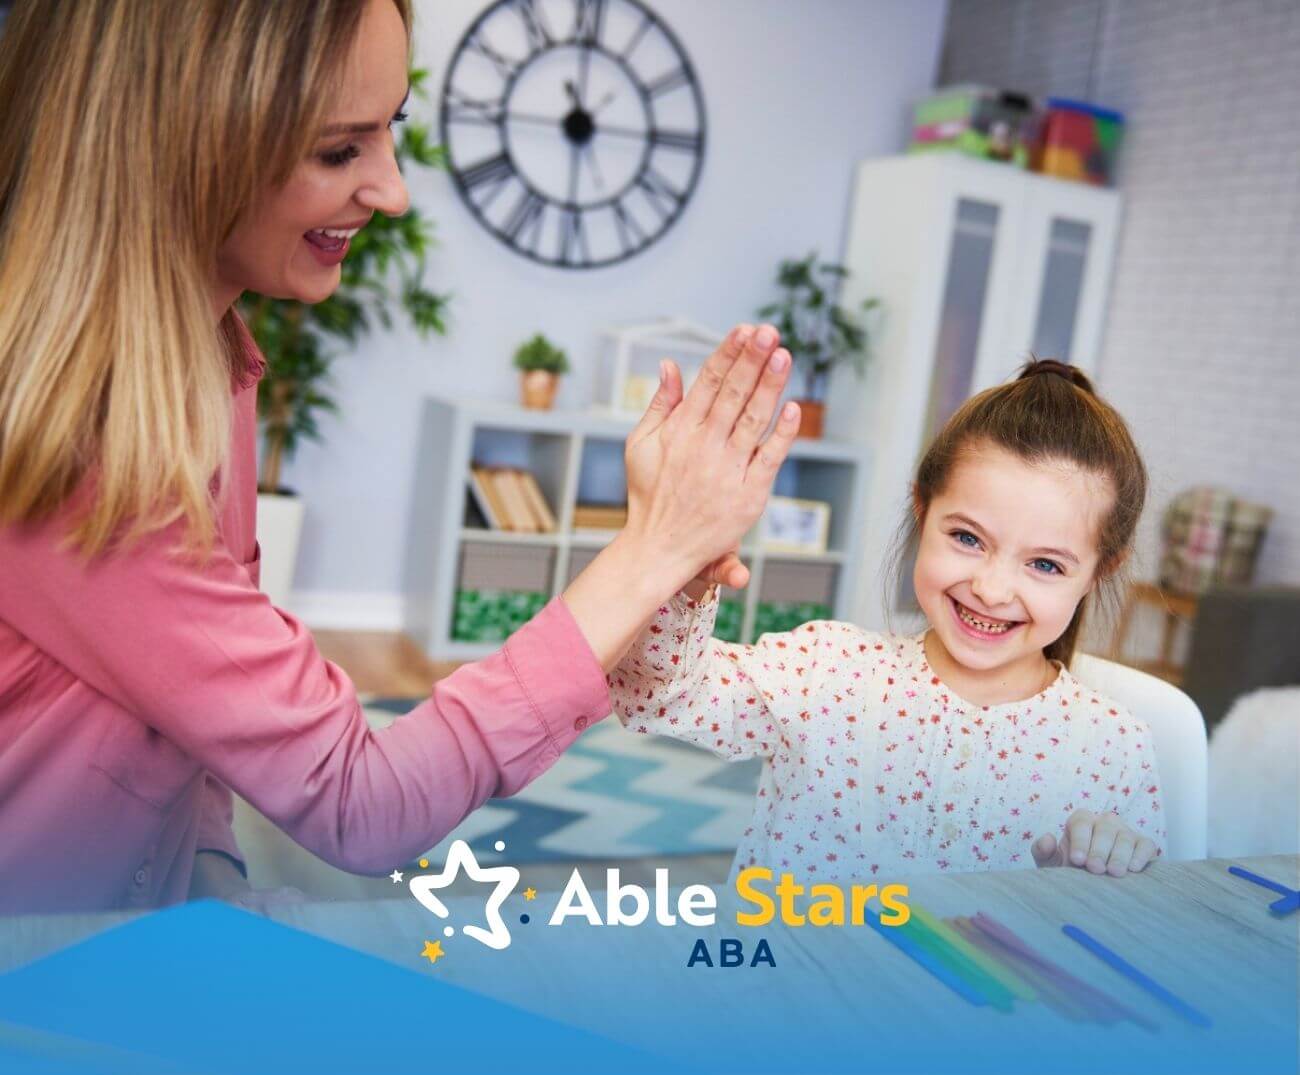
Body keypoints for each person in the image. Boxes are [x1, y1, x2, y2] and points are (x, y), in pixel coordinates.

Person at [0, 0, 801, 912]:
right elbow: (362, 794)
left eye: (392, 130)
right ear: (183, 140)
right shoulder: (79, 446)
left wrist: (216, 899)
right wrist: (652, 548)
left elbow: (200, 726)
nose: (392, 189)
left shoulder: (208, 363)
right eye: (339, 149)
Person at [609, 359, 1166, 882]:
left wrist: (1090, 889)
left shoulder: (1114, 749)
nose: (991, 590)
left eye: (1045, 564)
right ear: (922, 510)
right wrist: (680, 565)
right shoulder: (825, 670)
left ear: (1099, 570)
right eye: (967, 538)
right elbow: (658, 697)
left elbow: (1124, 947)